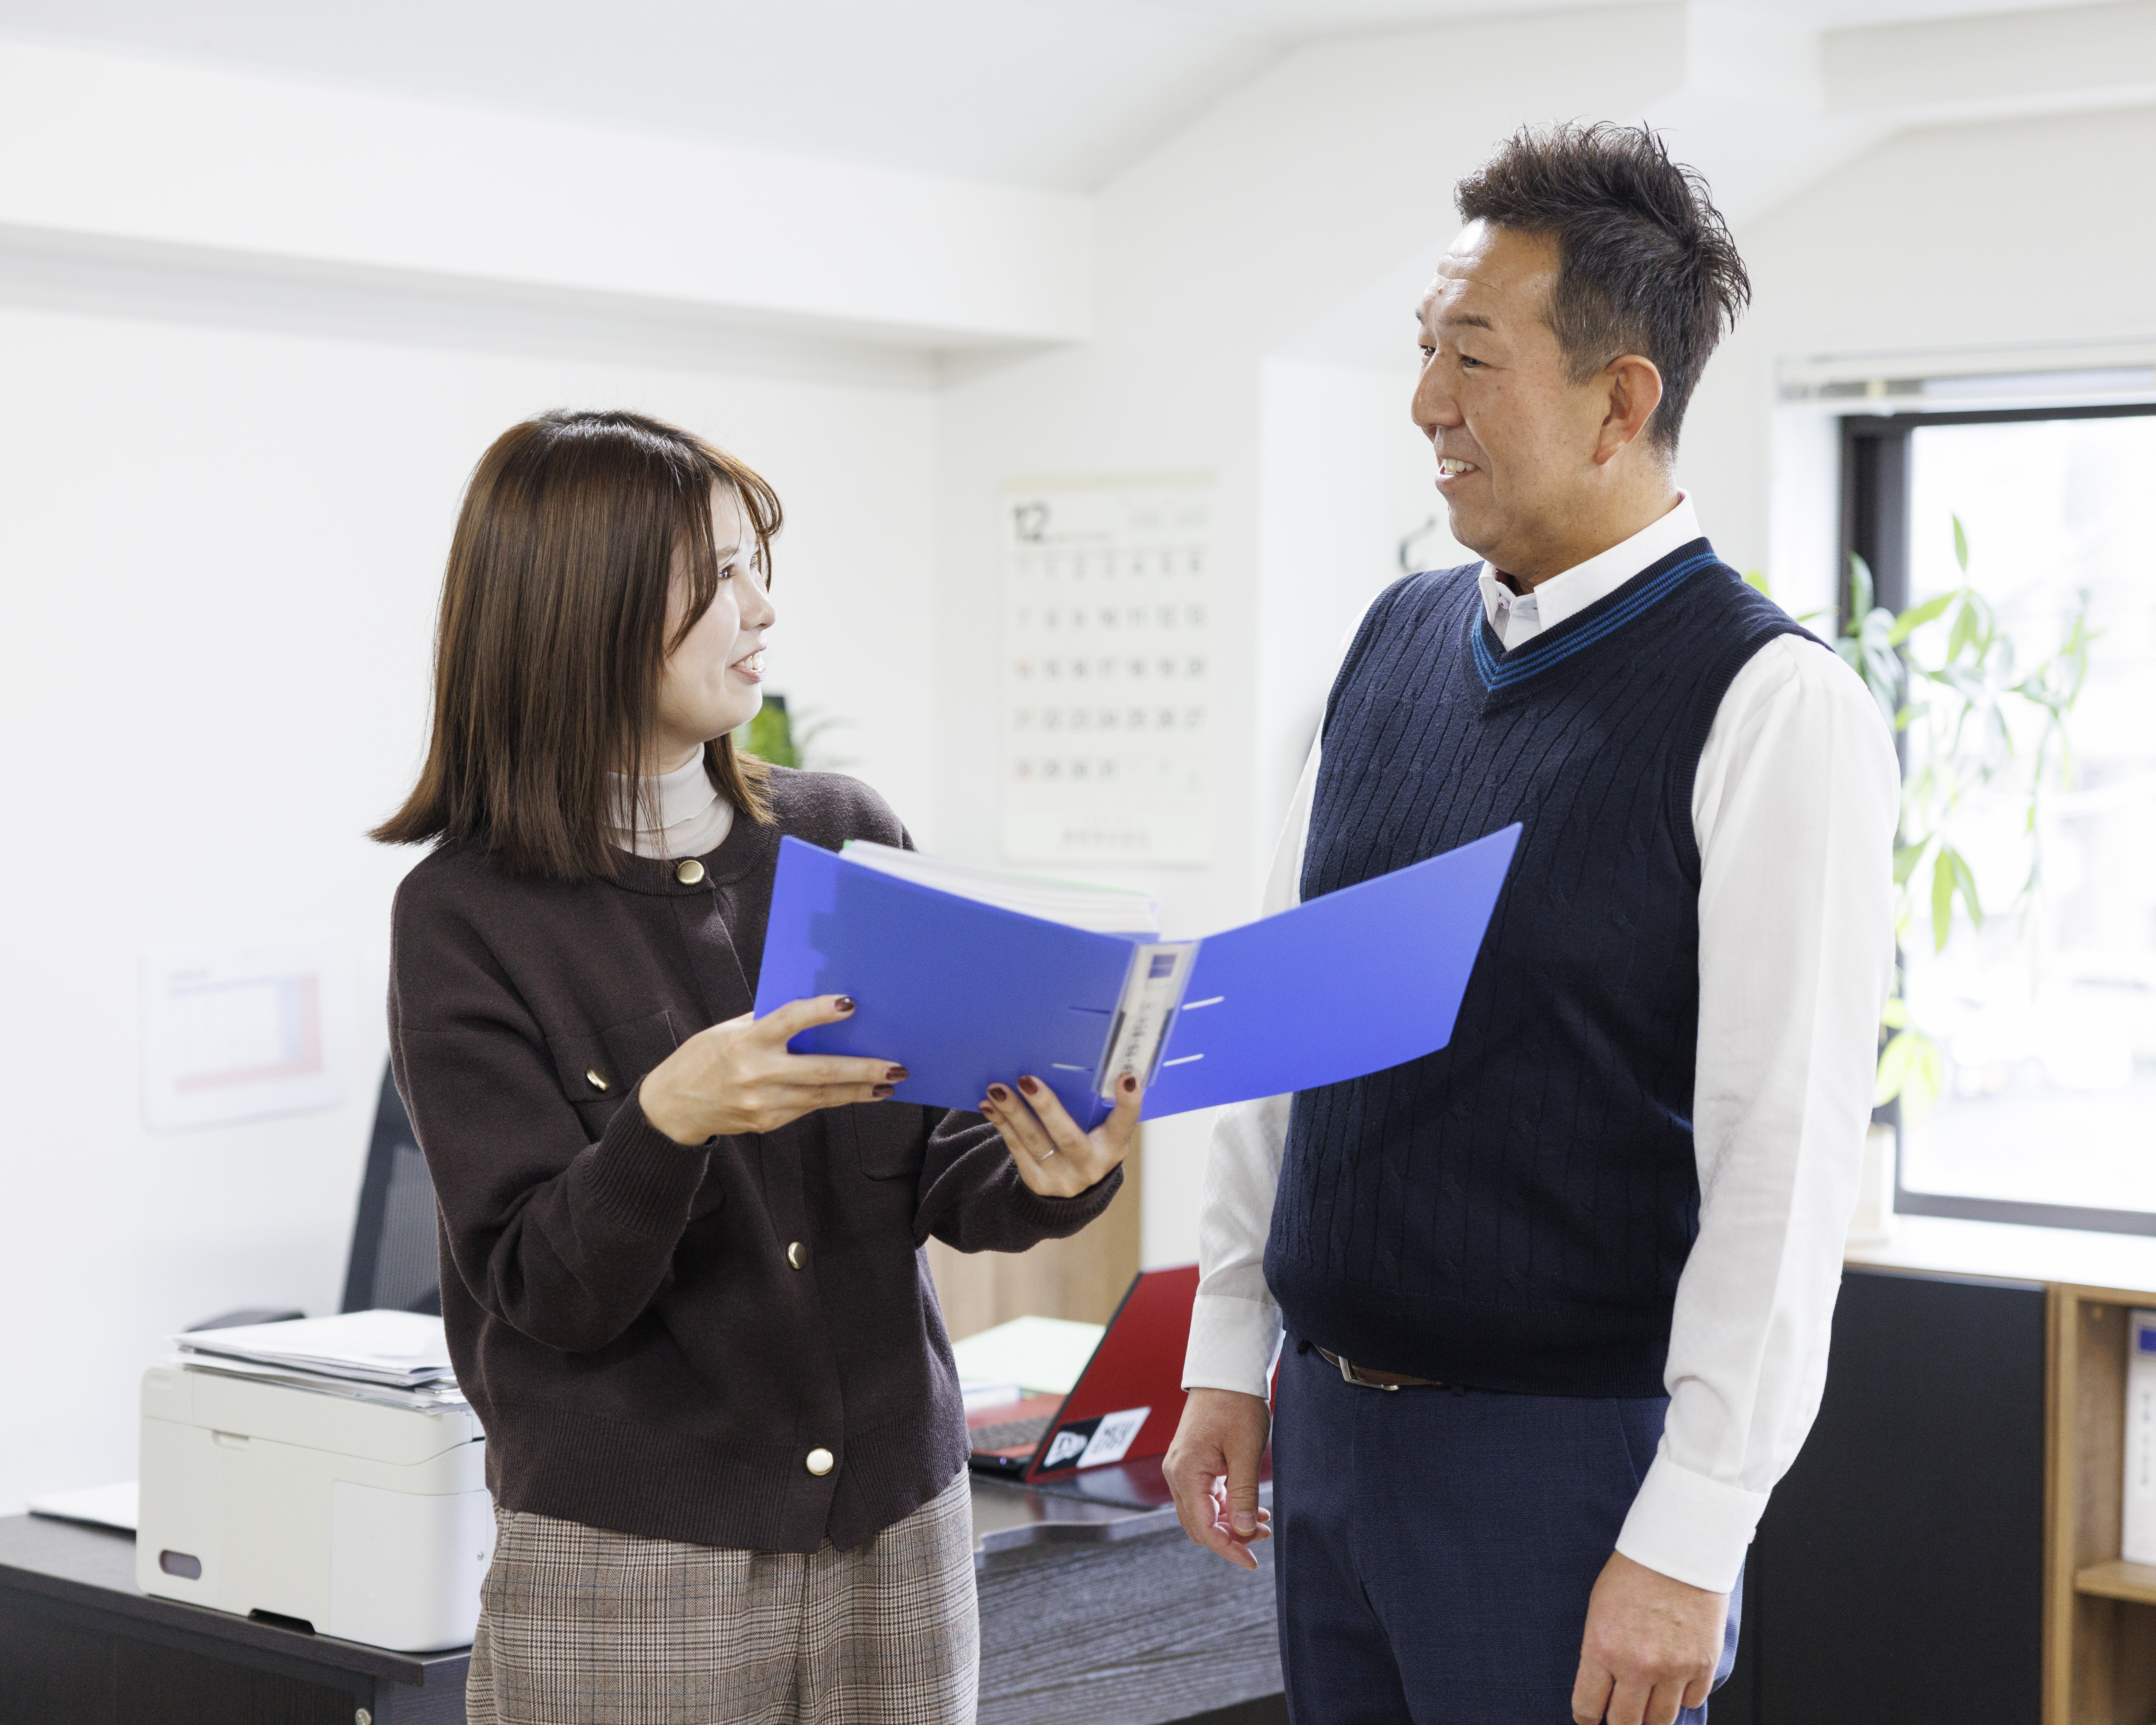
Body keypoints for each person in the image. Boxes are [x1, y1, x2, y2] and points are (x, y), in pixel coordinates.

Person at [1161, 124, 1899, 1725]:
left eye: (1470, 358)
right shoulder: (1392, 641)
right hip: (1334, 1443)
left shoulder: (1770, 703)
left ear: (1620, 400)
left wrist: (1691, 1535)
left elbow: (1779, 1167)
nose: (1425, 402)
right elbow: (1293, 1018)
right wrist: (1230, 1343)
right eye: (1423, 350)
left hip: (1571, 1470)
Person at [374, 408, 1136, 1725]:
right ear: (587, 604)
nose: (762, 608)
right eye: (719, 574)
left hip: (897, 1530)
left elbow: (936, 1163)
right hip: (634, 1555)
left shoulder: (844, 833)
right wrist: (667, 1120)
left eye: (758, 564)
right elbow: (541, 1291)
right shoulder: (466, 914)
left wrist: (1053, 1169)